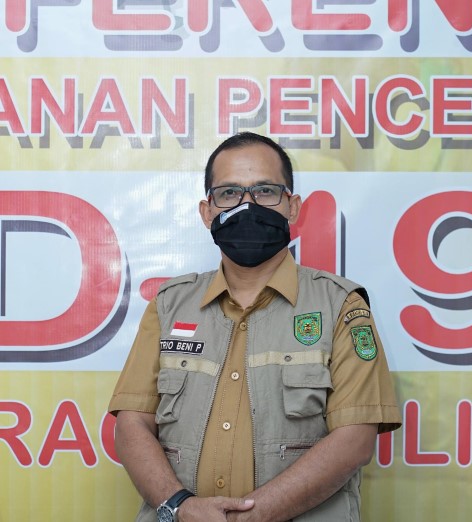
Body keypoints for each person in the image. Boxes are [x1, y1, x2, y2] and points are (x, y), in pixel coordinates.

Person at [109, 132, 402, 522]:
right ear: (207, 212)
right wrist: (181, 507)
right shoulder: (168, 305)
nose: (247, 206)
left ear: (292, 207)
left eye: (265, 191)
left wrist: (250, 516)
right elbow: (132, 425)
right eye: (229, 193)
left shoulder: (341, 306)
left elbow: (354, 440)